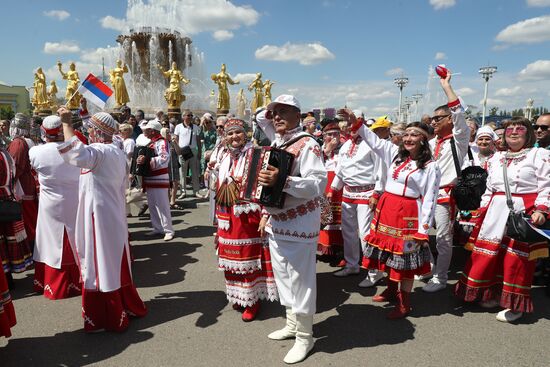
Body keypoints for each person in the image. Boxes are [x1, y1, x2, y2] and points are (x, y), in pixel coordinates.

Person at [57, 106, 147, 332]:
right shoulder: (116, 151)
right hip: (111, 214)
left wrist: (67, 123)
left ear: (97, 132)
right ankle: (125, 305)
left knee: (99, 263)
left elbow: (75, 154)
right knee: (113, 260)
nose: (88, 133)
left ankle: (109, 314)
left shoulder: (101, 151)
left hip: (99, 216)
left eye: (89, 130)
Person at [345, 110, 441, 319]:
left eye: (414, 135)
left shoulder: (430, 166)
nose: (408, 138)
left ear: (424, 140)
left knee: (405, 260)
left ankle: (404, 302)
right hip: (387, 211)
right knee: (387, 255)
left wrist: (423, 229)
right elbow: (374, 141)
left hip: (408, 216)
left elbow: (430, 199)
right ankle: (390, 289)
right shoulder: (396, 155)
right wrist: (357, 124)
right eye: (406, 134)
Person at [455, 117, 550, 323]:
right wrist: (481, 209)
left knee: (516, 260)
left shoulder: (539, 155)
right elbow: (490, 187)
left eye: (520, 129)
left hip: (523, 211)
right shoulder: (497, 158)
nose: (514, 132)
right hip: (495, 212)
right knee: (491, 256)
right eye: (509, 129)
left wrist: (542, 209)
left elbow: (547, 185)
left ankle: (514, 305)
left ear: (528, 133)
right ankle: (492, 294)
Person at [258, 94, 327, 364]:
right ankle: (292, 324)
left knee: (301, 280)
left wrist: (283, 181)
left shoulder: (308, 144)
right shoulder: (278, 141)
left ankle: (305, 337)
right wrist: (266, 211)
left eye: (283, 112)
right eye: (274, 113)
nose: (276, 117)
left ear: (298, 115)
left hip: (299, 222)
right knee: (284, 278)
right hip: (278, 222)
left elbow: (317, 184)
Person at [213, 118, 278, 321]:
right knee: (229, 257)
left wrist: (266, 215)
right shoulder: (223, 156)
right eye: (230, 133)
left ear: (246, 134)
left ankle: (252, 300)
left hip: (248, 216)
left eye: (238, 133)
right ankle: (238, 294)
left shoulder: (256, 154)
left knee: (248, 257)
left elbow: (267, 188)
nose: (234, 137)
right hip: (226, 215)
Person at [423, 71, 469, 293]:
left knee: (443, 237)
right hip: (426, 196)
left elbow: (459, 113)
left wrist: (446, 87)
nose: (433, 122)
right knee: (421, 235)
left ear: (449, 119)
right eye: (431, 119)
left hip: (445, 196)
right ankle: (430, 268)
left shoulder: (459, 139)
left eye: (437, 119)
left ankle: (441, 278)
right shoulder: (432, 143)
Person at [29, 115, 81, 299]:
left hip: (49, 203)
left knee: (50, 240)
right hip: (74, 200)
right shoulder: (75, 149)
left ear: (44, 131)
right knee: (76, 237)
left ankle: (50, 282)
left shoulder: (35, 151)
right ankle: (79, 278)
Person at [330, 113, 385, 288]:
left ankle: (374, 272)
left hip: (366, 194)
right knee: (348, 232)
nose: (350, 129)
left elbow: (381, 171)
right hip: (348, 194)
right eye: (348, 126)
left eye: (353, 126)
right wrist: (333, 189)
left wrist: (377, 193)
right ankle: (352, 265)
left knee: (366, 235)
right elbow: (340, 170)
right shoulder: (346, 145)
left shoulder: (372, 145)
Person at [140, 120, 174, 241]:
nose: (145, 132)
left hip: (159, 177)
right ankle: (157, 228)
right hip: (150, 177)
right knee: (152, 204)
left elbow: (165, 158)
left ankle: (168, 230)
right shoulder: (151, 143)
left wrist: (148, 161)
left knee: (162, 205)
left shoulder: (161, 142)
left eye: (147, 130)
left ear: (153, 131)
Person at [8, 113, 39, 246]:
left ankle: (31, 248)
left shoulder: (18, 143)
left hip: (22, 188)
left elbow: (14, 167)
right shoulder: (28, 141)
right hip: (28, 186)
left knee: (28, 220)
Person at [318, 120, 344, 258]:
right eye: (329, 134)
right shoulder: (320, 149)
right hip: (324, 184)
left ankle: (340, 250)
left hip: (339, 188)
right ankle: (326, 247)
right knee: (325, 217)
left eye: (336, 134)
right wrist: (327, 150)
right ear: (324, 136)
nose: (333, 137)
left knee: (339, 218)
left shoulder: (344, 149)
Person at [174, 110, 202, 198]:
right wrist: (178, 150)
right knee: (182, 172)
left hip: (193, 150)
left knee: (195, 171)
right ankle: (183, 191)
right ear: (183, 117)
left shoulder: (195, 127)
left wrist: (199, 152)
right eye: (188, 115)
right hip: (183, 150)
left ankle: (196, 191)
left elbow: (198, 140)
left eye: (191, 115)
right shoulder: (178, 127)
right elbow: (176, 139)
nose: (190, 117)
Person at [161, 128, 182, 210]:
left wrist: (175, 143)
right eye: (167, 133)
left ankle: (173, 201)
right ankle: (167, 201)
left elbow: (179, 152)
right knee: (166, 183)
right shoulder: (161, 143)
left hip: (174, 164)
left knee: (175, 182)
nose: (169, 134)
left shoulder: (172, 142)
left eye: (169, 132)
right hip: (165, 165)